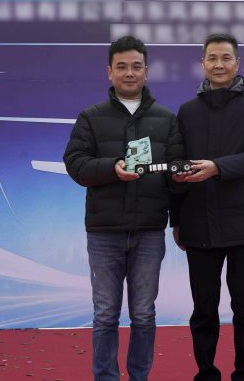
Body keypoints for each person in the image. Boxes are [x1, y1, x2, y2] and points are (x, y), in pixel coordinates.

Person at [63, 35, 184, 381]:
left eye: (136, 66)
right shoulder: (90, 118)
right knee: (105, 315)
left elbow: (176, 175)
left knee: (144, 314)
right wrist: (111, 168)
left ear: (146, 71)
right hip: (104, 232)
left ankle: (139, 377)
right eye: (121, 67)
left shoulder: (167, 119)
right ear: (109, 72)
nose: (129, 73)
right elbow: (75, 163)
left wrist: (179, 215)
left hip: (149, 231)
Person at [171, 33, 244, 381]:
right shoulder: (187, 112)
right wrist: (176, 219)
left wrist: (217, 167)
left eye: (226, 58)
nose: (219, 64)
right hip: (198, 221)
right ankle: (206, 374)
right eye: (212, 58)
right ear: (202, 63)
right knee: (203, 310)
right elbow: (178, 165)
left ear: (237, 63)